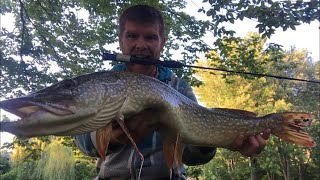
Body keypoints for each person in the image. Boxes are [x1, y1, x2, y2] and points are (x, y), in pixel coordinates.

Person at [75, 5, 271, 179]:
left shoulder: (180, 88)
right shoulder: (103, 84)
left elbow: (191, 156)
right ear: (120, 40)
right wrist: (110, 139)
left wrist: (213, 141)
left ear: (162, 42)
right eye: (132, 35)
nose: (141, 45)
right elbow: (83, 142)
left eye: (151, 37)